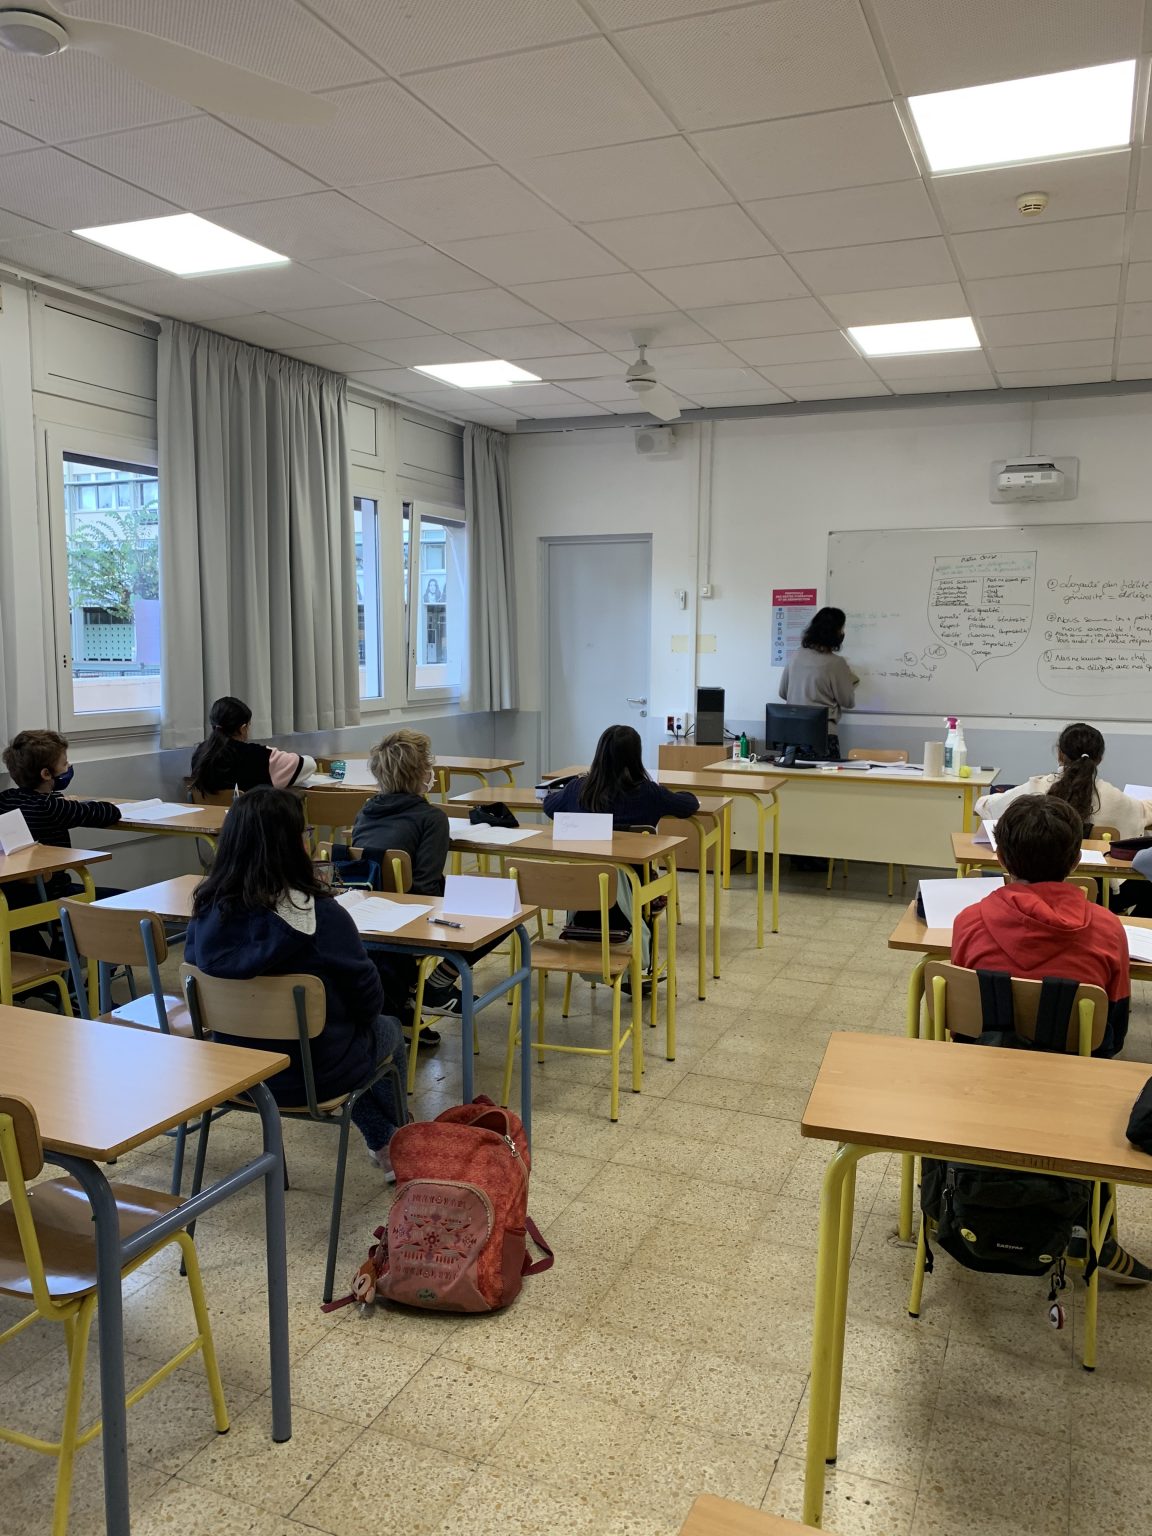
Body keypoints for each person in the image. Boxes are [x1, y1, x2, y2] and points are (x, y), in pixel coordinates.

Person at [951, 793, 1149, 1283]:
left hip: (979, 1086)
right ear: (1075, 860)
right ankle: (1096, 1234)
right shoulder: (1108, 929)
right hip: (1072, 1095)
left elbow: (959, 1030)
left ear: (1001, 857)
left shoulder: (969, 921)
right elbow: (1112, 1038)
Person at [184, 786, 408, 1177]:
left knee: (343, 1044)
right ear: (293, 845)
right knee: (387, 1032)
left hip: (234, 1071)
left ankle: (387, 1140)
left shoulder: (206, 911)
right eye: (305, 832)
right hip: (312, 1077)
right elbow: (369, 1002)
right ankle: (399, 1141)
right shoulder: (322, 915)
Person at [542, 725, 700, 973]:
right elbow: (688, 805)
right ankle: (639, 964)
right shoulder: (648, 793)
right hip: (635, 884)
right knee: (657, 879)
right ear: (636, 757)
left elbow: (549, 807)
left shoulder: (577, 790)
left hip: (582, 885)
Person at [353, 729, 455, 1026]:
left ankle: (411, 994)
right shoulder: (432, 819)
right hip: (410, 919)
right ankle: (437, 986)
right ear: (420, 773)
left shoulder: (365, 811)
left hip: (365, 914)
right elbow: (425, 888)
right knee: (501, 912)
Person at [0, 730, 123, 934]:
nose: (69, 767)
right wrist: (68, 802)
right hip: (54, 897)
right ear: (46, 774)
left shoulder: (5, 799)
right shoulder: (52, 807)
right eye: (64, 764)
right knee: (126, 901)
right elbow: (108, 813)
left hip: (13, 902)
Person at [974, 722, 1152, 840]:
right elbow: (1143, 812)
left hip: (1037, 878)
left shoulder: (1036, 788)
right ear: (1099, 759)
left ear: (1060, 755)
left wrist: (985, 800)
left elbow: (987, 806)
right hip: (1096, 884)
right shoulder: (1114, 797)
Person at [187, 696, 315, 798]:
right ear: (243, 728)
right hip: (249, 819)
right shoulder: (256, 754)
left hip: (210, 818)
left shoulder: (201, 753)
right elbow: (308, 765)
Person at [778, 606, 857, 760]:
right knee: (825, 775)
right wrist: (849, 681)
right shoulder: (836, 663)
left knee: (792, 775)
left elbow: (783, 692)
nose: (843, 632)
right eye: (842, 629)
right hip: (823, 735)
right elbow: (848, 701)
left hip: (793, 734)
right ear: (836, 632)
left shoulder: (796, 655)